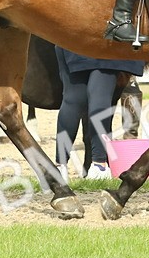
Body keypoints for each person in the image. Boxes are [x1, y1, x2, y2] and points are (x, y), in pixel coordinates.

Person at [54, 46, 143, 180]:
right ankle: (99, 165)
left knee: (72, 100)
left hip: (70, 40)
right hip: (104, 41)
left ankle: (60, 167)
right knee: (100, 98)